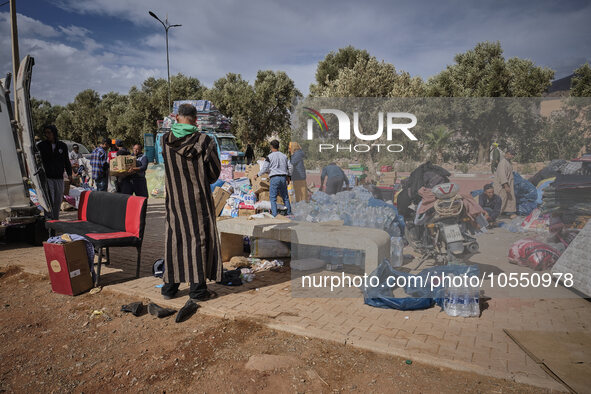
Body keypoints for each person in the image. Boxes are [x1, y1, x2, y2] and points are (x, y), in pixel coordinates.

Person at [161, 103, 222, 301]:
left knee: (175, 240)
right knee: (198, 241)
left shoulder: (164, 140)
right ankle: (197, 291)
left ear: (177, 118)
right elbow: (213, 174)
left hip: (174, 202)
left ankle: (169, 288)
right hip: (197, 202)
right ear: (196, 120)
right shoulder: (205, 141)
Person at [37, 125, 72, 220]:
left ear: (54, 133)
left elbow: (66, 161)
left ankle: (55, 219)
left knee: (58, 200)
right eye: (46, 133)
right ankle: (48, 219)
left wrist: (69, 174)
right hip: (47, 178)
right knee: (49, 199)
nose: (47, 135)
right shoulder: (41, 146)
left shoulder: (62, 146)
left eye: (49, 132)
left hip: (59, 178)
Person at [258, 140, 292, 217]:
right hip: (283, 178)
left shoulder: (269, 157)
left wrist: (257, 175)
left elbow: (264, 169)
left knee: (273, 198)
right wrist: (289, 176)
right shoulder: (284, 156)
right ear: (278, 146)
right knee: (285, 197)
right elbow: (290, 166)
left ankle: (275, 214)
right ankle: (289, 213)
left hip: (274, 178)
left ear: (271, 147)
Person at [493, 148, 516, 217]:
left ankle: (508, 212)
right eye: (510, 154)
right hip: (502, 185)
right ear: (506, 154)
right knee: (501, 199)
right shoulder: (503, 162)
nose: (512, 156)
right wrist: (505, 185)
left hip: (508, 184)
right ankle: (495, 215)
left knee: (508, 199)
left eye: (513, 155)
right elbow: (502, 175)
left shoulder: (507, 162)